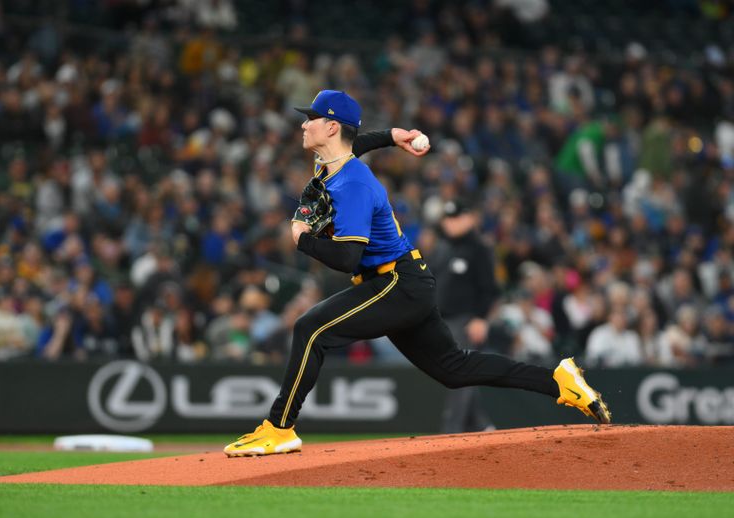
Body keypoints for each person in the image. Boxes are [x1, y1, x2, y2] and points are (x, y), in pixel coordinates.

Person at [224, 90, 611, 457]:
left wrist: (303, 240)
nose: (304, 125)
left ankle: (279, 428)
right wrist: (394, 136)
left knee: (310, 328)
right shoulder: (332, 160)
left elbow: (346, 258)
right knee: (453, 369)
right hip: (405, 279)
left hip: (394, 282)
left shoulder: (353, 183)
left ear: (331, 127)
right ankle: (558, 380)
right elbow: (358, 143)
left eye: (311, 118)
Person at [430, 197, 500, 433]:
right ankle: (482, 425)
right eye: (448, 218)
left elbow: (489, 288)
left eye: (457, 217)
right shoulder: (442, 247)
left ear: (469, 218)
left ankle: (452, 431)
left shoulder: (479, 248)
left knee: (457, 373)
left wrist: (481, 318)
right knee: (460, 374)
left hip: (465, 320)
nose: (452, 223)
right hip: (442, 321)